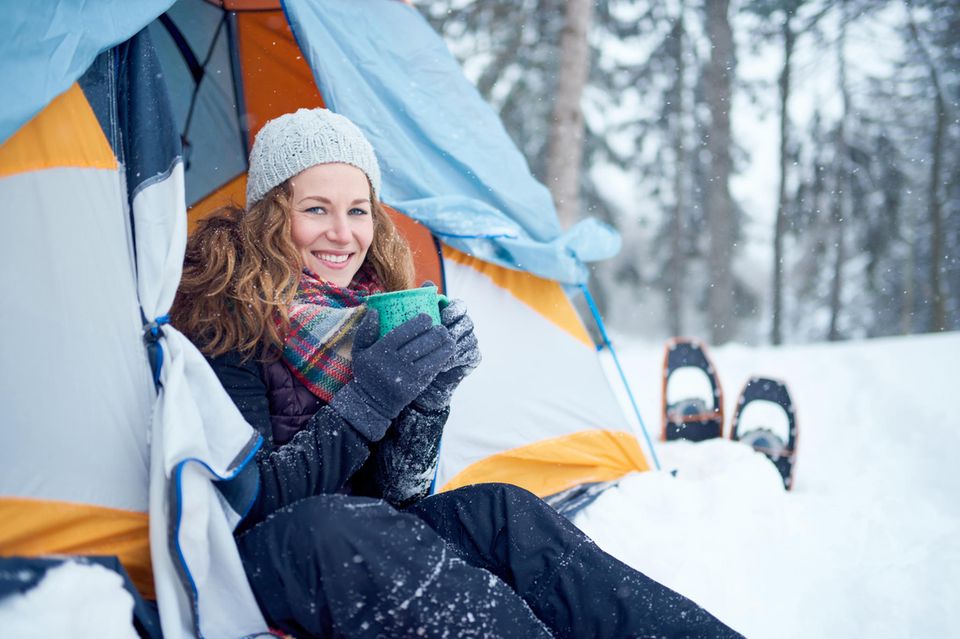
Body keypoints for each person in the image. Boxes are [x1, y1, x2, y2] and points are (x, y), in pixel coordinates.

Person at [171, 108, 741, 638]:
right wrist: (370, 399)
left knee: (500, 511)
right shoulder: (226, 315)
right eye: (315, 209)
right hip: (261, 557)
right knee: (335, 525)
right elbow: (250, 500)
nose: (343, 234)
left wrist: (427, 396)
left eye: (358, 210)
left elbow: (397, 497)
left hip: (354, 537)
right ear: (273, 215)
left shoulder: (364, 312)